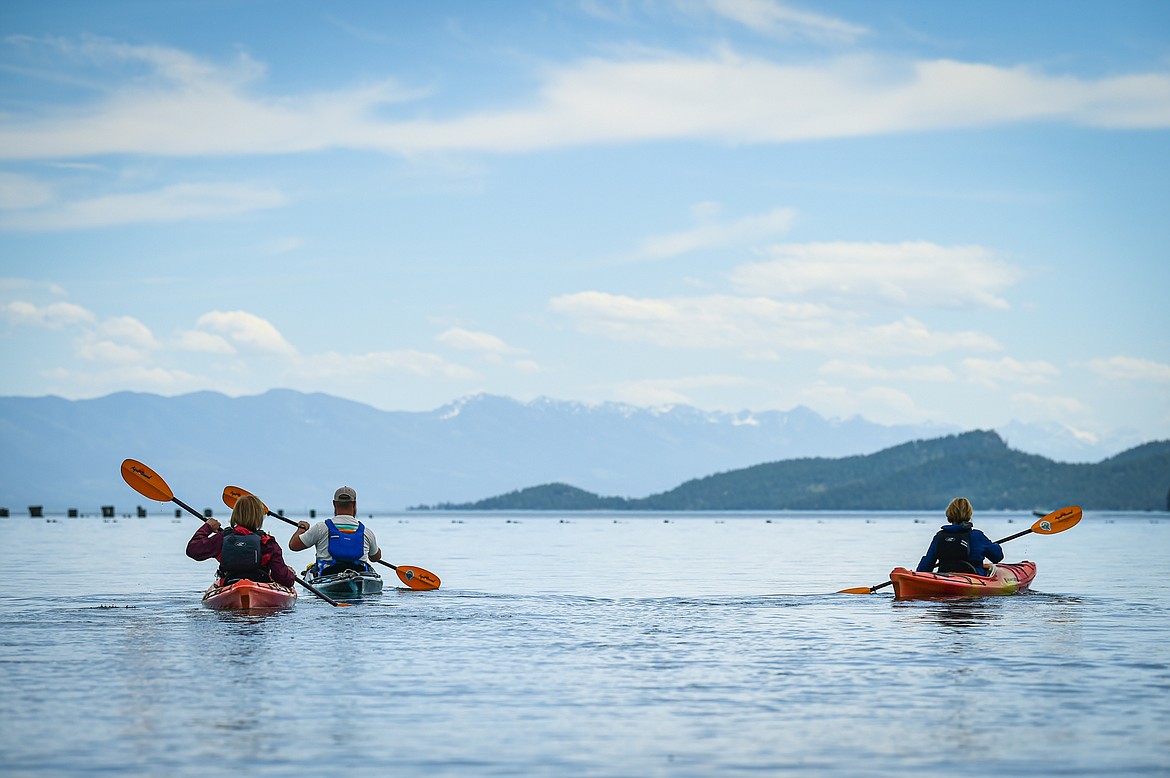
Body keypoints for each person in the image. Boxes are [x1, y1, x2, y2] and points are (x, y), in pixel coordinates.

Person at [185, 494, 296, 587]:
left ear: (235, 514)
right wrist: (289, 574)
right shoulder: (267, 542)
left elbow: (193, 550)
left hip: (230, 584)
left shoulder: (222, 539)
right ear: (258, 517)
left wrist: (207, 527)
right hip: (260, 585)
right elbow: (283, 579)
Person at [288, 486, 382, 576]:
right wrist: (375, 549)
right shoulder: (367, 532)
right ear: (354, 504)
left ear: (334, 503)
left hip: (327, 575)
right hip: (358, 575)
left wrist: (302, 529)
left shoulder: (321, 528)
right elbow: (375, 557)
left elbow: (294, 545)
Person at [916, 497, 1004, 575]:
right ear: (969, 514)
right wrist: (994, 546)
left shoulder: (939, 536)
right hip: (974, 578)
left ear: (949, 513)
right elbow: (997, 556)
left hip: (945, 576)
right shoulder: (977, 536)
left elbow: (924, 568)